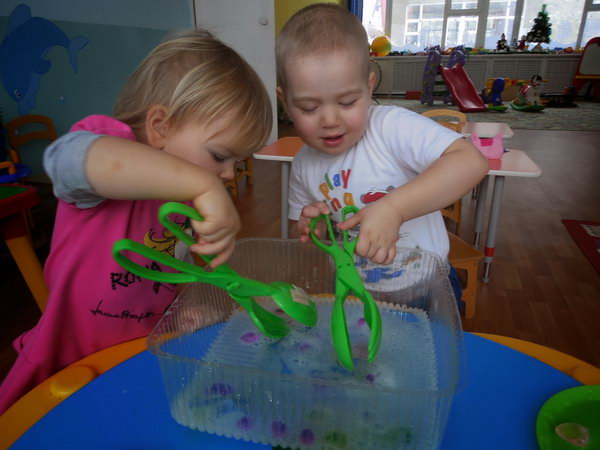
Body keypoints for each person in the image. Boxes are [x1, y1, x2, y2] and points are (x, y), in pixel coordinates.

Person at [0, 29, 272, 414]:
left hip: (139, 356)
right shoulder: (108, 148)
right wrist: (203, 182)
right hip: (70, 364)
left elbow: (169, 273)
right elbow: (65, 158)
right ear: (159, 126)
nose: (226, 174)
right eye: (219, 156)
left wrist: (194, 307)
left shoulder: (184, 202)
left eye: (235, 164)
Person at [276, 4, 488, 294]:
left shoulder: (390, 126)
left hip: (426, 282)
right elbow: (299, 234)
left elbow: (471, 161)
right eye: (308, 107)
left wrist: (394, 208)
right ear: (285, 102)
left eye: (348, 102)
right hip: (354, 286)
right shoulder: (302, 164)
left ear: (369, 86)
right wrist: (313, 229)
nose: (329, 120)